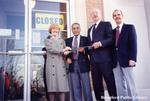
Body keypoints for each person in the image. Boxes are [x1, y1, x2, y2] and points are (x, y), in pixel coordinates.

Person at [87, 8, 117, 101]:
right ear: (91, 16)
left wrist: (100, 43)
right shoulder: (89, 29)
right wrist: (85, 50)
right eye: (92, 13)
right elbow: (90, 45)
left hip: (105, 60)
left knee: (110, 83)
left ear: (100, 14)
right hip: (93, 62)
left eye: (96, 13)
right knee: (96, 85)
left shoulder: (106, 24)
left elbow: (111, 39)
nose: (94, 14)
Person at [112, 9, 138, 101]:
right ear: (113, 18)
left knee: (130, 84)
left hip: (127, 59)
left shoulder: (130, 27)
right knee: (119, 85)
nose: (117, 16)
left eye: (118, 14)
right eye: (115, 15)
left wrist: (132, 58)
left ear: (122, 16)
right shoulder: (113, 31)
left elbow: (133, 44)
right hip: (115, 61)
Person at [65, 23, 93, 101]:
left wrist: (84, 50)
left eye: (77, 28)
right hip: (73, 65)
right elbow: (66, 52)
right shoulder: (68, 40)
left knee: (86, 86)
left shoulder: (86, 39)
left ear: (80, 29)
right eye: (74, 28)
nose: (75, 30)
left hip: (83, 65)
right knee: (75, 87)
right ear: (72, 30)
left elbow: (90, 51)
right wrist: (67, 58)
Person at [44, 23, 70, 101]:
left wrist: (66, 52)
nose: (55, 30)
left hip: (61, 64)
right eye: (53, 29)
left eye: (57, 29)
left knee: (62, 87)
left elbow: (65, 51)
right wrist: (63, 50)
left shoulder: (62, 41)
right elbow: (51, 49)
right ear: (50, 30)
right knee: (52, 87)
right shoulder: (47, 40)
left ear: (58, 30)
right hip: (51, 65)